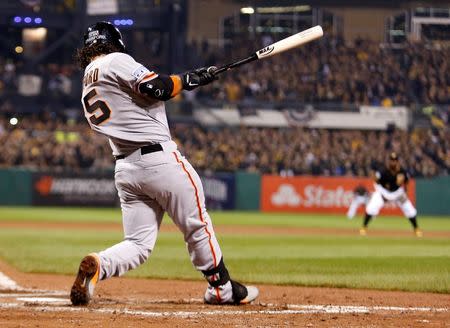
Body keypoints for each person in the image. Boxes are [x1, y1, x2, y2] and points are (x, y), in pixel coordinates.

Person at [70, 21, 258, 306]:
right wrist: (189, 79)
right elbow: (157, 87)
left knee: (138, 244)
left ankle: (100, 264)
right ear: (115, 42)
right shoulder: (116, 60)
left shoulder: (87, 78)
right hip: (159, 161)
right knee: (197, 225)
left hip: (126, 169)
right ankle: (221, 289)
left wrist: (190, 79)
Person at [360, 152, 422, 237]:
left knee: (410, 210)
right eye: (391, 160)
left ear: (397, 161)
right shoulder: (383, 170)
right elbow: (376, 179)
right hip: (383, 192)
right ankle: (364, 227)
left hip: (398, 193)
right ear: (389, 161)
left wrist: (403, 183)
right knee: (371, 208)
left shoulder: (402, 171)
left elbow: (407, 182)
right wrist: (375, 177)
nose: (393, 162)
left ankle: (416, 228)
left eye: (395, 160)